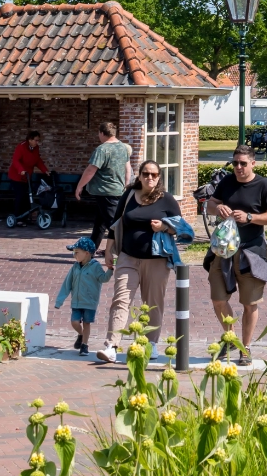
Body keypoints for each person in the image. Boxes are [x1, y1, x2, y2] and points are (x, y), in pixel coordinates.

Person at [96, 159, 183, 366]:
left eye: (154, 174)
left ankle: (151, 344)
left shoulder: (167, 200)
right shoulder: (129, 195)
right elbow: (115, 223)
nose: (149, 177)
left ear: (159, 177)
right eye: (146, 174)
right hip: (128, 256)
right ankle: (111, 346)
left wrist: (163, 227)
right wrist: (108, 250)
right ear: (140, 175)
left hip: (156, 261)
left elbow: (180, 228)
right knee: (120, 299)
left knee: (152, 303)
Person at [204, 145, 267, 359]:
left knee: (249, 303)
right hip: (223, 250)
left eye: (243, 163)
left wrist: (250, 217)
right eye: (235, 163)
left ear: (253, 163)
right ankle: (231, 340)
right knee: (218, 298)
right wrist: (218, 208)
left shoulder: (264, 185)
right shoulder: (227, 182)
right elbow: (210, 204)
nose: (238, 167)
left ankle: (245, 348)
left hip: (251, 252)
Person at [55, 236, 112, 356]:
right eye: (73, 252)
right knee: (74, 322)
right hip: (76, 301)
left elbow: (103, 279)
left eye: (76, 252)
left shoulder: (96, 266)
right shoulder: (75, 267)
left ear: (86, 253)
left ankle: (84, 345)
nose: (74, 255)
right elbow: (67, 284)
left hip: (90, 302)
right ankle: (80, 334)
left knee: (87, 323)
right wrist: (59, 301)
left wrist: (110, 270)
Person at [74, 122, 132, 236]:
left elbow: (90, 170)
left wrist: (79, 186)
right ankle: (92, 246)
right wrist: (126, 185)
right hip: (118, 190)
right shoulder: (123, 147)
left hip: (105, 191)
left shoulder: (102, 149)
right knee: (100, 224)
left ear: (102, 133)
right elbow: (128, 168)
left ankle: (126, 245)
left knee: (113, 225)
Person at [8, 130, 49, 203]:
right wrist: (21, 170)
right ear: (30, 140)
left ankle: (26, 210)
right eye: (36, 140)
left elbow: (37, 160)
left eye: (38, 140)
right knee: (20, 196)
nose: (37, 142)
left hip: (27, 177)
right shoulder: (21, 146)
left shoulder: (36, 148)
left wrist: (45, 170)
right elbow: (15, 160)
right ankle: (17, 211)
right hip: (17, 176)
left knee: (26, 197)